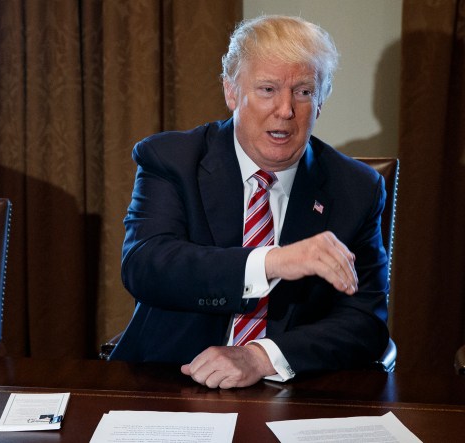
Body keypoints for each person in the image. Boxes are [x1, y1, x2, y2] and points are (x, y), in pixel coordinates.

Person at [109, 15, 390, 388]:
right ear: (231, 91)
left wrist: (262, 356)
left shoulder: (356, 188)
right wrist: (273, 261)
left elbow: (365, 320)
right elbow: (146, 266)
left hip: (291, 389)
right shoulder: (172, 158)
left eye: (304, 91)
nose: (286, 110)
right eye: (268, 89)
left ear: (321, 101)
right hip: (169, 378)